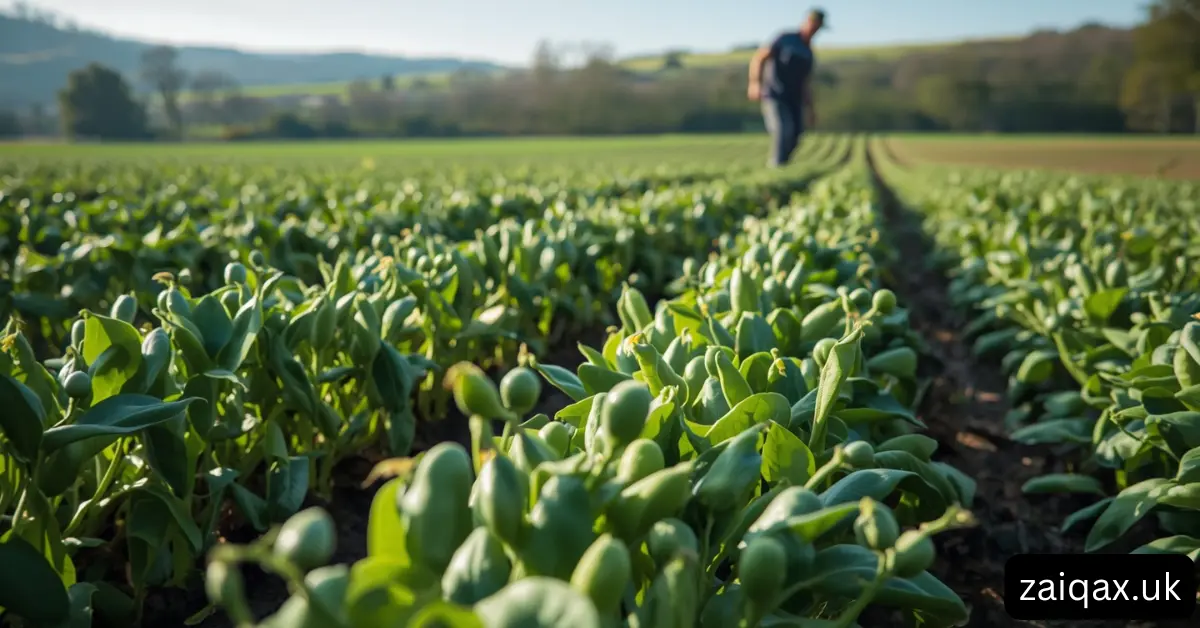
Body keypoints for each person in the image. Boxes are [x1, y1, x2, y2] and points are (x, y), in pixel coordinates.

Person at [747, 9, 826, 167]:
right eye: (812, 25)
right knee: (784, 130)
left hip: (794, 100)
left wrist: (810, 109)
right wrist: (755, 82)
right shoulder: (785, 39)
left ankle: (783, 165)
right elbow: (759, 58)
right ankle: (776, 167)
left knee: (797, 134)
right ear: (806, 22)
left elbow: (805, 84)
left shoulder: (808, 53)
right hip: (775, 95)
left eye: (817, 28)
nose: (813, 30)